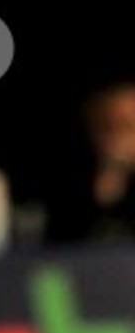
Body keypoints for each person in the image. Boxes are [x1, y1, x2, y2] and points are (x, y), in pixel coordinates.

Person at [44, 80, 135, 244]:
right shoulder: (73, 177)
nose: (117, 138)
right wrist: (110, 182)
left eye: (127, 126)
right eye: (107, 127)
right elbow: (59, 243)